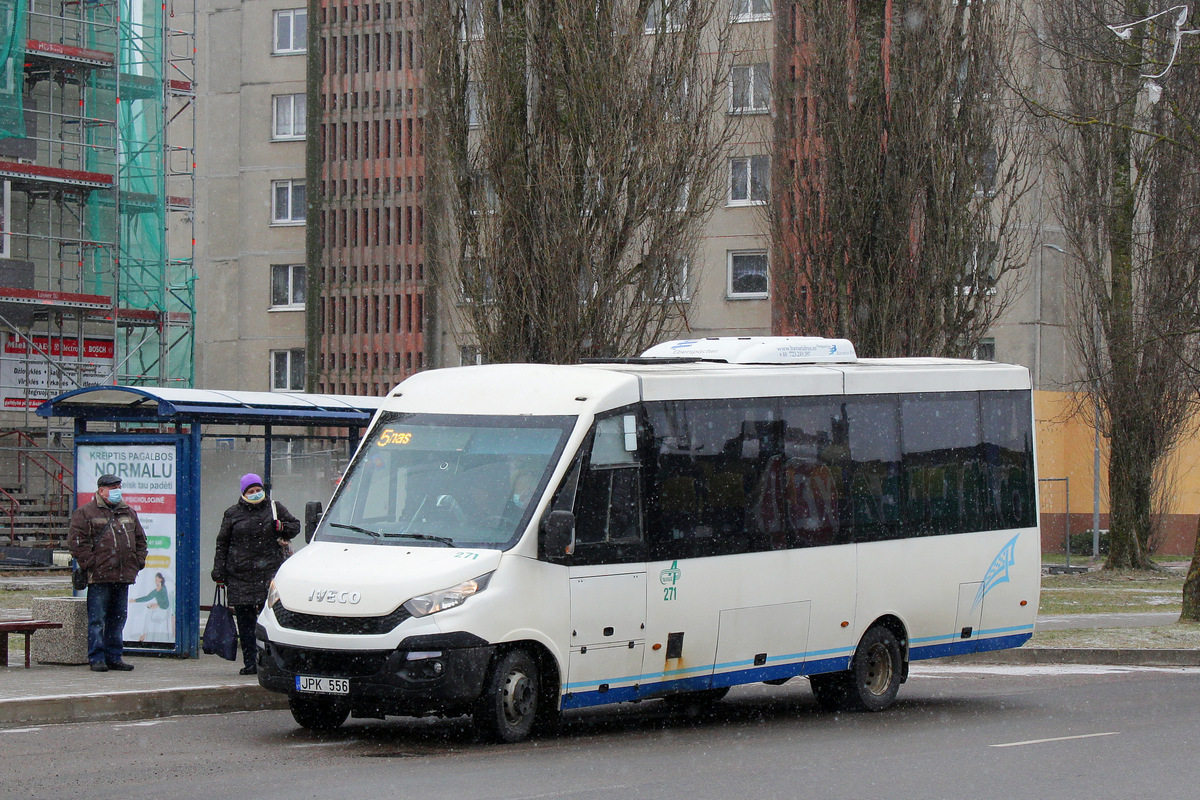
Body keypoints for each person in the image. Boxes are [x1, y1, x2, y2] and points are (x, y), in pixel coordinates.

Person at [211, 473, 300, 675]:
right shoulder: (232, 513)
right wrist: (219, 571)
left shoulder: (275, 508)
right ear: (243, 494)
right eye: (250, 491)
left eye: (257, 490)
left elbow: (295, 527)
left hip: (268, 574)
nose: (255, 494)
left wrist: (282, 527)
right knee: (245, 622)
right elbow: (222, 543)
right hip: (240, 575)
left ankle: (268, 661)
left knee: (268, 619)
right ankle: (250, 662)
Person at [67, 474, 148, 672]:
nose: (116, 491)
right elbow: (77, 543)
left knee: (118, 618)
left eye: (118, 487)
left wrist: (138, 561)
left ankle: (114, 656)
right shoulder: (85, 512)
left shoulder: (128, 512)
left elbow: (140, 540)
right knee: (97, 620)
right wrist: (91, 564)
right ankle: (97, 658)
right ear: (101, 491)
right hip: (99, 577)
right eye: (112, 488)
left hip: (123, 575)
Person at [134, 572, 171, 643]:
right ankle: (144, 634)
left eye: (157, 580)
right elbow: (147, 597)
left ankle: (144, 634)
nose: (156, 582)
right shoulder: (157, 590)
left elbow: (166, 604)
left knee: (150, 613)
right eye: (155, 580)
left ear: (161, 580)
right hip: (160, 609)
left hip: (163, 611)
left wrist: (157, 605)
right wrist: (135, 600)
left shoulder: (163, 589)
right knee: (149, 613)